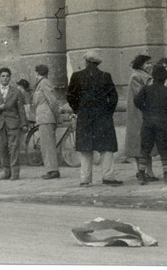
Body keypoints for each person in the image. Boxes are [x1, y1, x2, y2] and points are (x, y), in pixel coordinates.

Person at [67, 51, 122, 187]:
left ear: (86, 61)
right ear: (97, 63)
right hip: (103, 116)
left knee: (86, 148)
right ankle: (108, 176)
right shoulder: (105, 76)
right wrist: (108, 111)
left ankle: (85, 179)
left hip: (85, 116)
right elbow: (114, 97)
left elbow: (70, 96)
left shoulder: (77, 76)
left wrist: (77, 109)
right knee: (106, 148)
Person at [133, 64, 167, 184]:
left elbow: (137, 101)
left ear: (153, 77)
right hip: (162, 122)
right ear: (165, 78)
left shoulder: (145, 89)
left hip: (148, 121)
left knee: (145, 148)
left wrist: (145, 110)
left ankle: (142, 174)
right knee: (164, 148)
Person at [0, 67, 28, 180]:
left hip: (13, 123)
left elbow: (21, 109)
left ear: (10, 78)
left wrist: (24, 123)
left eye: (7, 76)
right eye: (3, 76)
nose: (5, 78)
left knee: (14, 147)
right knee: (2, 147)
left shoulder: (16, 91)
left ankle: (15, 172)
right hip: (0, 124)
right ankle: (6, 171)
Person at [124, 54, 155, 180]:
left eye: (150, 63)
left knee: (147, 143)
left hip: (145, 113)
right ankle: (141, 171)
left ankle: (149, 171)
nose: (149, 65)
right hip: (138, 114)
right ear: (140, 64)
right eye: (147, 63)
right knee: (139, 143)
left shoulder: (145, 76)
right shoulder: (136, 76)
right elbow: (141, 95)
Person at [32, 64, 63, 180]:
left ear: (37, 73)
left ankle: (53, 170)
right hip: (43, 118)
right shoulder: (40, 83)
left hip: (46, 118)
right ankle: (51, 169)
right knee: (46, 145)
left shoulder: (44, 83)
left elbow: (53, 101)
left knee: (48, 145)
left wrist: (57, 116)